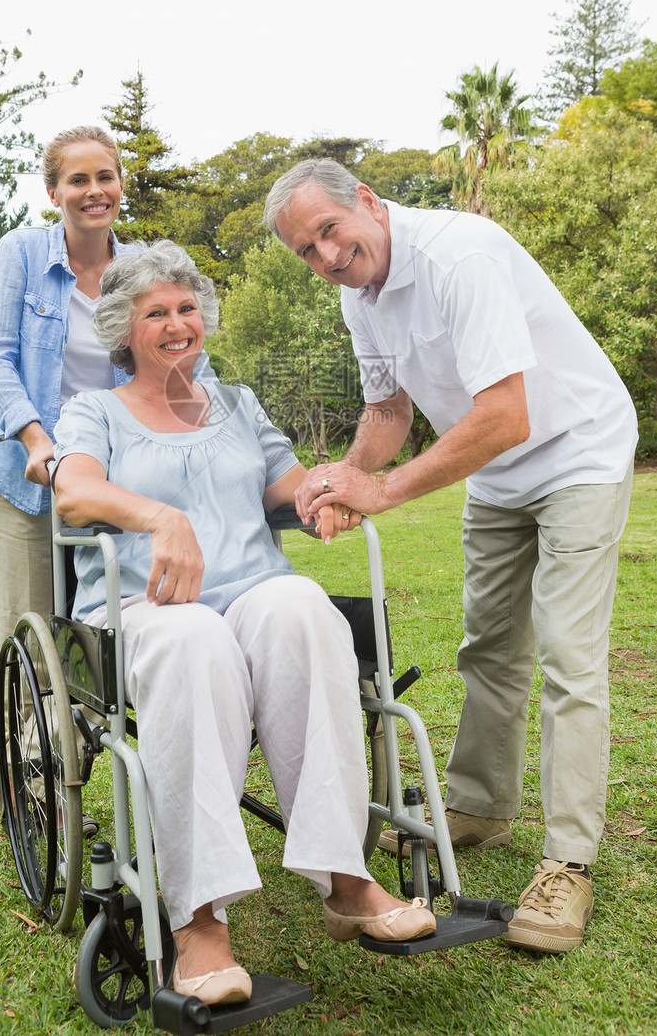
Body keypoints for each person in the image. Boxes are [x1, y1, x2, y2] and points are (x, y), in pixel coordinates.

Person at [264, 158, 637, 955]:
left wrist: (386, 491)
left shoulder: (459, 255)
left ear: (365, 201)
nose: (326, 256)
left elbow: (506, 413)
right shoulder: (356, 295)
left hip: (579, 453)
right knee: (489, 648)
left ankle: (568, 862)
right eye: (307, 250)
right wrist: (346, 479)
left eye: (329, 230)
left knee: (570, 658)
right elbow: (387, 405)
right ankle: (476, 804)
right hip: (497, 475)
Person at [52, 241, 436, 1007]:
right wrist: (160, 516)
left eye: (188, 307)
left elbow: (288, 485)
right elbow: (73, 492)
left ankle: (346, 879)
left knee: (305, 610)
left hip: (252, 589)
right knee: (196, 640)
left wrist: (328, 493)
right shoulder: (92, 409)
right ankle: (199, 919)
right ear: (126, 328)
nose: (175, 323)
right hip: (145, 605)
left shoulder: (238, 403)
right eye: (156, 312)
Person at [0, 125, 215, 825]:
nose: (94, 191)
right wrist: (38, 439)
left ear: (120, 184)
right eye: (77, 180)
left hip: (109, 477)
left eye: (104, 177)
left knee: (96, 632)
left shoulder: (143, 266)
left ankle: (53, 758)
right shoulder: (21, 253)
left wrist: (214, 429)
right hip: (25, 474)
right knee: (34, 636)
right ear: (54, 192)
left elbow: (180, 354)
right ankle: (30, 772)